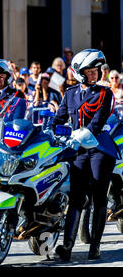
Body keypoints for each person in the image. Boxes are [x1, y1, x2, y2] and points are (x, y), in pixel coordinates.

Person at [53, 49, 119, 261]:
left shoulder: (105, 93)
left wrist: (80, 134)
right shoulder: (70, 93)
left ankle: (95, 246)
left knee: (99, 198)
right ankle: (67, 247)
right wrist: (52, 130)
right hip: (78, 151)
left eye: (96, 71)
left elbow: (97, 122)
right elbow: (58, 118)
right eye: (90, 71)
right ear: (80, 73)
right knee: (76, 199)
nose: (95, 74)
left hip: (99, 149)